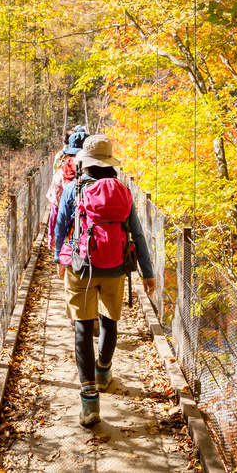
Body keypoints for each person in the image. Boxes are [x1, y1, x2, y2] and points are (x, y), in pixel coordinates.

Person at [53, 134, 156, 427]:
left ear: (85, 162)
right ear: (110, 163)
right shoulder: (123, 190)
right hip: (116, 266)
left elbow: (61, 227)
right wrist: (147, 272)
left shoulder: (74, 189)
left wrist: (61, 259)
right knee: (110, 320)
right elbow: (137, 232)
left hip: (81, 267)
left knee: (83, 328)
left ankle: (89, 402)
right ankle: (103, 371)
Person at [46, 130, 88, 253]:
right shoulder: (98, 174)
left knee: (66, 262)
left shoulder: (61, 173)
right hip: (88, 233)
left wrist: (52, 240)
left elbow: (55, 212)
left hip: (66, 232)